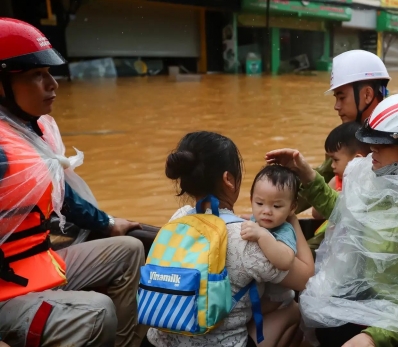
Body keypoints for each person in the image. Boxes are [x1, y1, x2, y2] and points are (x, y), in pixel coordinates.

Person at [267, 93, 398, 347]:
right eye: (372, 143)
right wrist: (306, 175)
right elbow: (349, 214)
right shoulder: (385, 178)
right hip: (384, 300)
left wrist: (372, 337)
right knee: (326, 325)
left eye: (382, 145)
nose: (373, 150)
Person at [0, 18, 145, 347]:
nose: (53, 85)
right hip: (5, 292)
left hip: (36, 262)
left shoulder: (32, 130)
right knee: (96, 311)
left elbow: (60, 196)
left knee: (130, 249)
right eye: (37, 75)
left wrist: (107, 223)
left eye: (48, 73)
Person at [147, 131, 314, 347]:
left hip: (155, 342)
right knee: (292, 309)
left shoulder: (177, 219)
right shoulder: (247, 238)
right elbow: (306, 278)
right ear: (229, 179)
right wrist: (290, 216)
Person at [297, 50, 390, 212]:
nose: (336, 106)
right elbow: (312, 187)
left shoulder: (394, 140)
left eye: (342, 97)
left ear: (367, 94)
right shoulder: (349, 138)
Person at [242, 164, 301, 310]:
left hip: (279, 301)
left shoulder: (285, 230)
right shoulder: (255, 221)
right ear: (251, 200)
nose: (266, 211)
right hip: (260, 294)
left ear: (292, 208)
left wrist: (262, 235)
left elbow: (285, 261)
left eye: (276, 206)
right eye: (260, 203)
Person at [312, 121, 371, 219]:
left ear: (357, 160)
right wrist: (336, 198)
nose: (332, 165)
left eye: (336, 160)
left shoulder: (371, 182)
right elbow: (316, 214)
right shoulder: (337, 181)